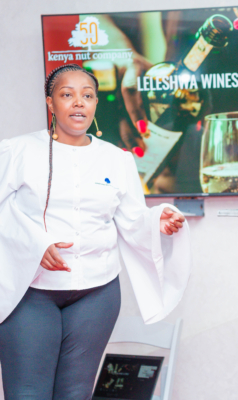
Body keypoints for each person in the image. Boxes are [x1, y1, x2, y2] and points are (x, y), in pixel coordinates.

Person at [0, 64, 191, 400]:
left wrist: (156, 222)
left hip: (96, 293)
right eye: (67, 94)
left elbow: (132, 219)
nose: (79, 102)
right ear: (50, 103)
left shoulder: (117, 159)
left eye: (87, 95)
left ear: (95, 104)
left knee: (75, 394)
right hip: (31, 291)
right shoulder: (17, 151)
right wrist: (34, 243)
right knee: (28, 393)